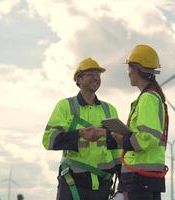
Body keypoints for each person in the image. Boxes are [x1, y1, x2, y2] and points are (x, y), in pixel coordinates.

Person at [43, 57, 121, 200]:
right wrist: (79, 134)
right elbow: (48, 140)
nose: (96, 77)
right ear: (78, 79)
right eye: (91, 73)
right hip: (72, 182)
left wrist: (123, 184)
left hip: (103, 184)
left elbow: (118, 149)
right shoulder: (65, 106)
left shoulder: (110, 109)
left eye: (98, 74)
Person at [112, 44, 169, 200]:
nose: (128, 73)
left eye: (129, 68)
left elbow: (147, 137)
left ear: (136, 69)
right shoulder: (151, 97)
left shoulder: (148, 99)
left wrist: (122, 139)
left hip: (139, 176)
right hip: (144, 177)